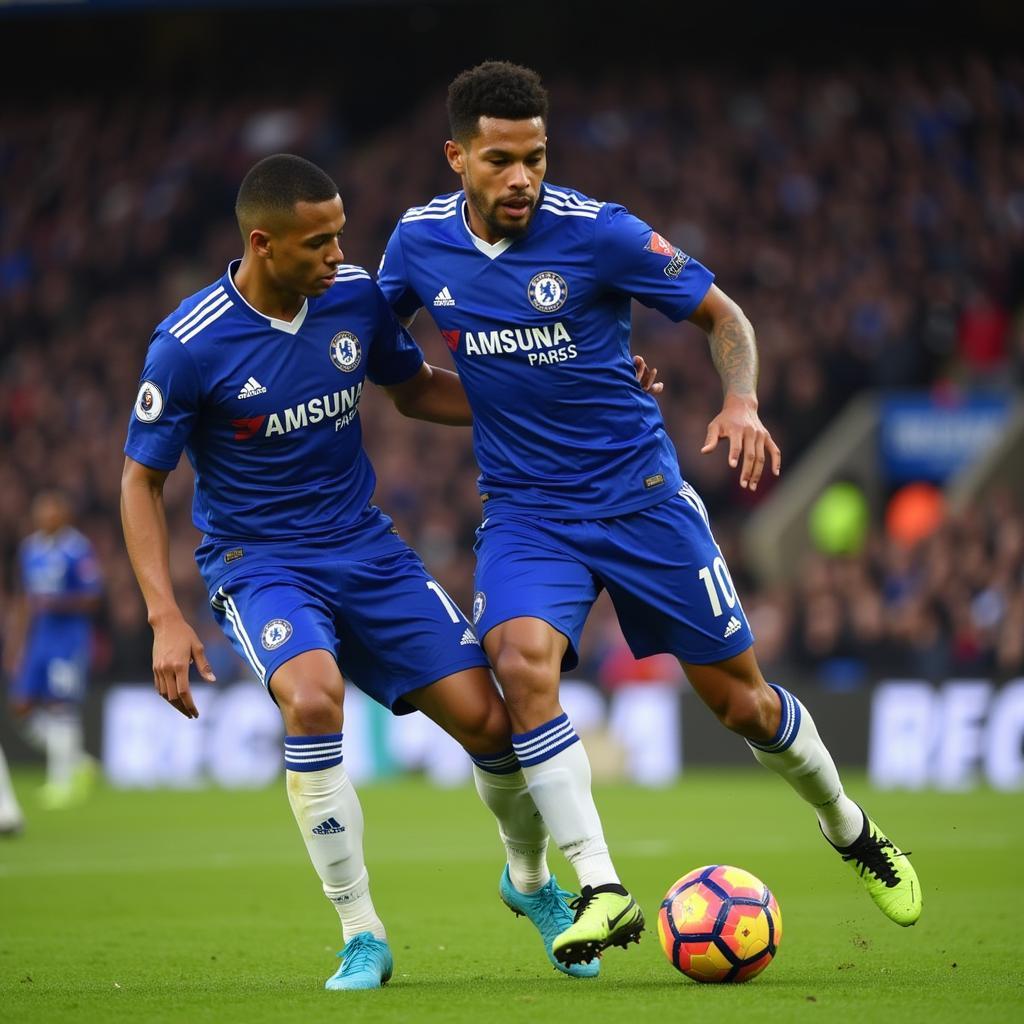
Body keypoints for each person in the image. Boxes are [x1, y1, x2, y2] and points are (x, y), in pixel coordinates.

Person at [377, 60, 922, 967]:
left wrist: (740, 401)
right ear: (457, 157)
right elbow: (389, 372)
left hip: (641, 502)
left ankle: (851, 828)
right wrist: (506, 400)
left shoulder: (602, 233)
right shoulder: (417, 244)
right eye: (502, 159)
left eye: (537, 158)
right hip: (527, 511)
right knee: (518, 665)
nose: (523, 178)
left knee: (742, 705)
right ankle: (598, 886)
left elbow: (727, 320)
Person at [121, 153, 616, 991]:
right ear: (262, 242)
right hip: (260, 561)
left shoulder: (350, 296)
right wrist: (164, 615)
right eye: (319, 242)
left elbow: (414, 388)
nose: (339, 255)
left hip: (368, 550)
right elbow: (142, 480)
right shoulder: (189, 344)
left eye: (341, 234)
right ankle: (362, 933)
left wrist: (555, 391)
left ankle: (528, 884)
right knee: (313, 699)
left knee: (493, 729)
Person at [5, 490, 101, 808]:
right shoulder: (30, 548)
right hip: (39, 639)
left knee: (61, 706)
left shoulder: (77, 550)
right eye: (41, 511)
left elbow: (92, 598)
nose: (45, 517)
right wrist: (17, 644)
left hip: (68, 639)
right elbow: (24, 601)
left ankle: (61, 782)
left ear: (64, 515)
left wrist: (56, 602)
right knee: (22, 706)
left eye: (51, 511)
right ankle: (76, 760)